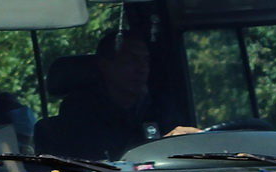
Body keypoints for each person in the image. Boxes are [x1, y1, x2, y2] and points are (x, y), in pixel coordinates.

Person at [38, 30, 198, 161]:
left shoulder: (161, 107)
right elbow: (103, 161)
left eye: (145, 60)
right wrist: (161, 145)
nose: (143, 68)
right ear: (105, 65)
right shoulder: (79, 115)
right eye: (132, 60)